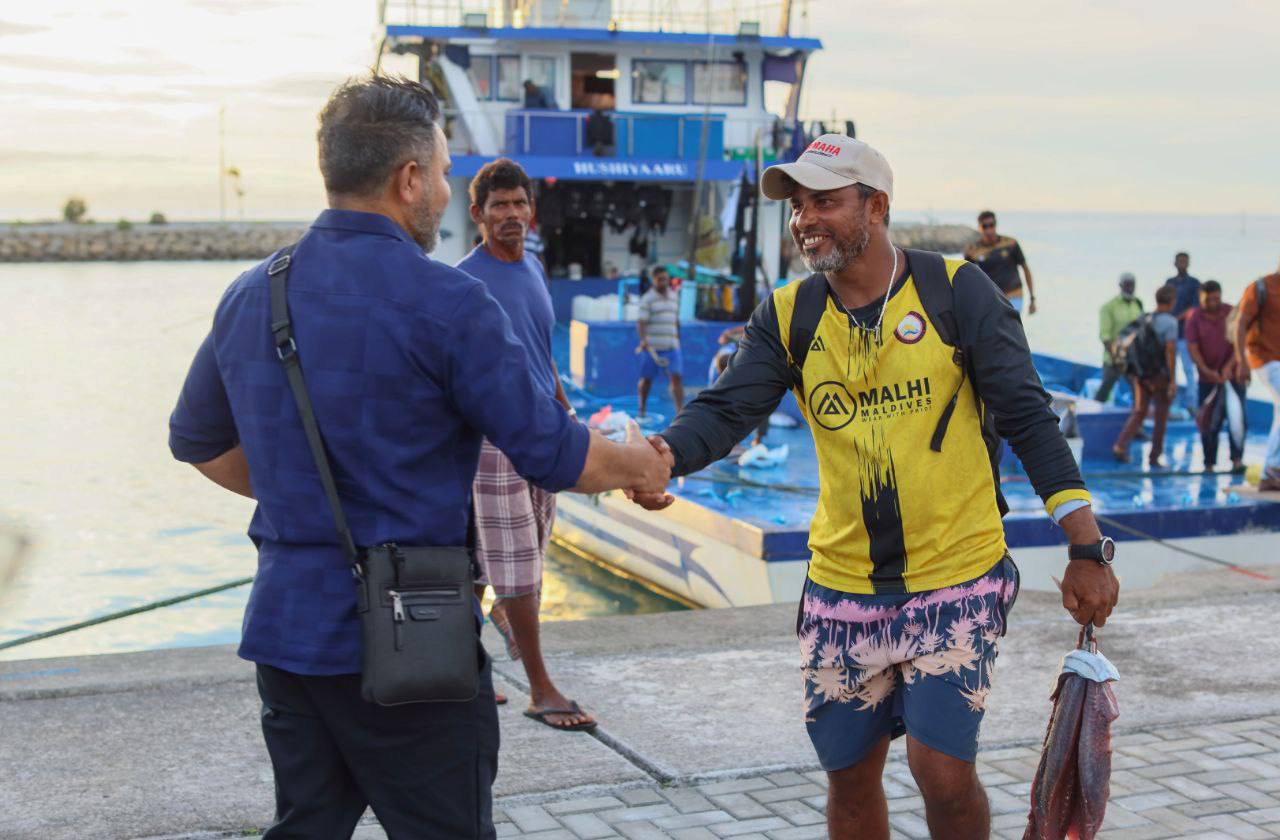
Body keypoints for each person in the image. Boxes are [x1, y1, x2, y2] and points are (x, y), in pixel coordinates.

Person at [167, 76, 669, 840]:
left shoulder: (254, 292)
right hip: (414, 636)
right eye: (440, 172)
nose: (443, 188)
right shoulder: (451, 303)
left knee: (306, 826)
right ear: (407, 180)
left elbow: (196, 441)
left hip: (289, 631)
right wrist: (640, 464)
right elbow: (552, 453)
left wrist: (302, 492)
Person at [629, 134, 1118, 840]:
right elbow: (728, 408)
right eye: (797, 206)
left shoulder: (956, 291)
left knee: (942, 775)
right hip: (843, 588)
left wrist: (1086, 547)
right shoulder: (790, 314)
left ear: (877, 207)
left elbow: (1028, 416)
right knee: (850, 782)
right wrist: (666, 455)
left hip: (956, 579)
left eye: (824, 201)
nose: (804, 219)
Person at [457, 158, 595, 733]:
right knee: (514, 567)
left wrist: (565, 409)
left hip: (543, 431)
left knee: (508, 560)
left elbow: (541, 351)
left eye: (518, 204)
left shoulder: (535, 268)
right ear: (478, 215)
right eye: (499, 206)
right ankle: (542, 688)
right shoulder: (465, 281)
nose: (511, 215)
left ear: (531, 210)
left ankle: (467, 672)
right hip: (493, 442)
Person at [1112, 285, 1179, 466]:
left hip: (1140, 375)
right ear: (1172, 302)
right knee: (1161, 416)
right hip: (1160, 377)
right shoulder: (1171, 323)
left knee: (1139, 411)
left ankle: (1120, 445)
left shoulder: (1144, 318)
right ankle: (1154, 456)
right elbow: (1170, 351)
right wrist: (1173, 379)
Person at [1187, 280, 1247, 473]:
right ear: (1200, 297)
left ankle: (1237, 460)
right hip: (1207, 379)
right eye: (1208, 299)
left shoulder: (1230, 312)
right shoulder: (1194, 318)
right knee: (1208, 422)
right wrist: (1207, 370)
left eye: (1217, 298)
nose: (1213, 302)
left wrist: (1229, 367)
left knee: (1237, 419)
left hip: (1233, 377)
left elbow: (1239, 341)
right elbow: (1193, 348)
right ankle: (1209, 463)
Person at [1234, 262, 1280, 491]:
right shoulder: (1261, 288)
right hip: (1264, 359)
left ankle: (1274, 469)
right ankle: (1270, 471)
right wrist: (1240, 361)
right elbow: (1240, 324)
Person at [963, 210, 1036, 314]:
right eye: (985, 226)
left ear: (995, 225)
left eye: (991, 225)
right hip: (990, 297)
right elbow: (966, 278)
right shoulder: (973, 251)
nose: (989, 230)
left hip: (1014, 294)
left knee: (1010, 326)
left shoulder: (1011, 244)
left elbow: (1025, 268)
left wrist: (1032, 298)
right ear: (979, 227)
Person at [636, 264, 684, 417]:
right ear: (653, 280)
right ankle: (642, 409)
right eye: (659, 279)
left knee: (676, 377)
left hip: (672, 347)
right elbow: (641, 322)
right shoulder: (647, 299)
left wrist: (677, 337)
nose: (663, 282)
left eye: (665, 279)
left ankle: (680, 413)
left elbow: (675, 319)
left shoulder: (674, 296)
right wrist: (643, 340)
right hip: (652, 348)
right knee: (646, 380)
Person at [1096, 272, 1144, 403]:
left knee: (1138, 390)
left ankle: (1137, 417)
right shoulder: (1108, 307)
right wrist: (1116, 358)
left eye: (1132, 285)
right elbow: (1105, 336)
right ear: (1120, 285)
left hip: (1133, 359)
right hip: (1113, 358)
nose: (1130, 287)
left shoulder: (1138, 304)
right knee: (1105, 389)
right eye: (1127, 284)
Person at [1164, 252, 1202, 413]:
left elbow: (1194, 308)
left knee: (1188, 369)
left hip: (1186, 335)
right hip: (1169, 335)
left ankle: (1192, 404)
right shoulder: (1169, 283)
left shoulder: (1194, 284)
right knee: (1168, 369)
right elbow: (1164, 303)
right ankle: (1169, 402)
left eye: (1185, 261)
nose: (1182, 264)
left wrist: (1176, 319)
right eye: (1179, 261)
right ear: (1175, 263)